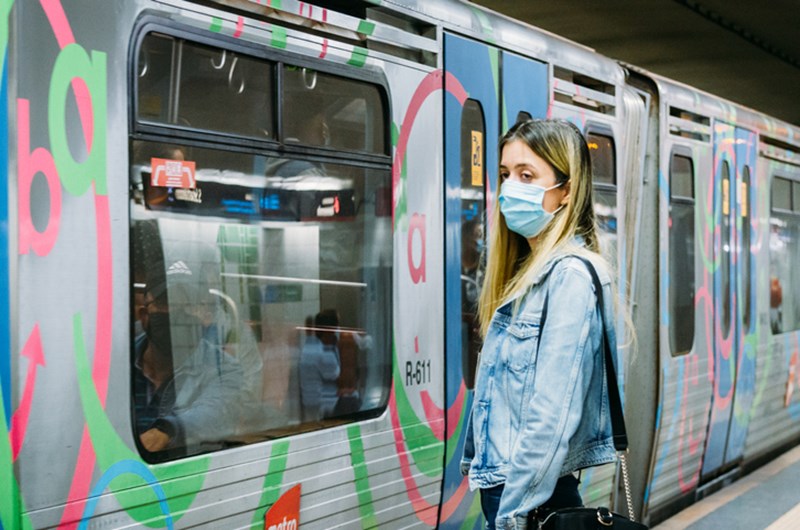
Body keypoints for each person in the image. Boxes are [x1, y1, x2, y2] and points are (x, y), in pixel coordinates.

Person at [460, 119, 622, 530]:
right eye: (505, 174)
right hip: (511, 490)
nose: (510, 187)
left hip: (531, 499)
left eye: (526, 175)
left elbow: (549, 418)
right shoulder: (528, 272)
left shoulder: (568, 277)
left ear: (565, 190)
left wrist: (512, 517)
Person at [299, 309, 341, 421]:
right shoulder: (324, 352)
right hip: (324, 405)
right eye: (337, 326)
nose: (338, 330)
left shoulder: (309, 346)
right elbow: (338, 378)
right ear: (330, 330)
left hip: (309, 401)